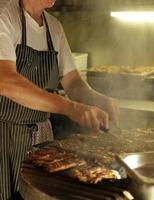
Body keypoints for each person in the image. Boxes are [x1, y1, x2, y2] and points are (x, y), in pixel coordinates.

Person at [0, 0, 119, 199]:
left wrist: (97, 99)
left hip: (40, 140)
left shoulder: (53, 26)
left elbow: (72, 83)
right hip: (4, 138)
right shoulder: (5, 14)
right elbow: (5, 81)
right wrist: (70, 108)